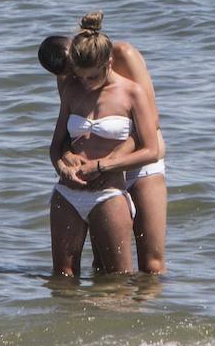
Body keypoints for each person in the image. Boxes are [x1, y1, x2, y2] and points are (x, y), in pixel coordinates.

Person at [40, 34, 168, 274]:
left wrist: (107, 163)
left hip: (140, 164)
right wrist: (67, 158)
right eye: (73, 74)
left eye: (78, 71)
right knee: (102, 265)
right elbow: (72, 132)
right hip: (95, 172)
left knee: (151, 264)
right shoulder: (70, 77)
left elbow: (152, 123)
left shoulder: (124, 55)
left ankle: (149, 310)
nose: (79, 80)